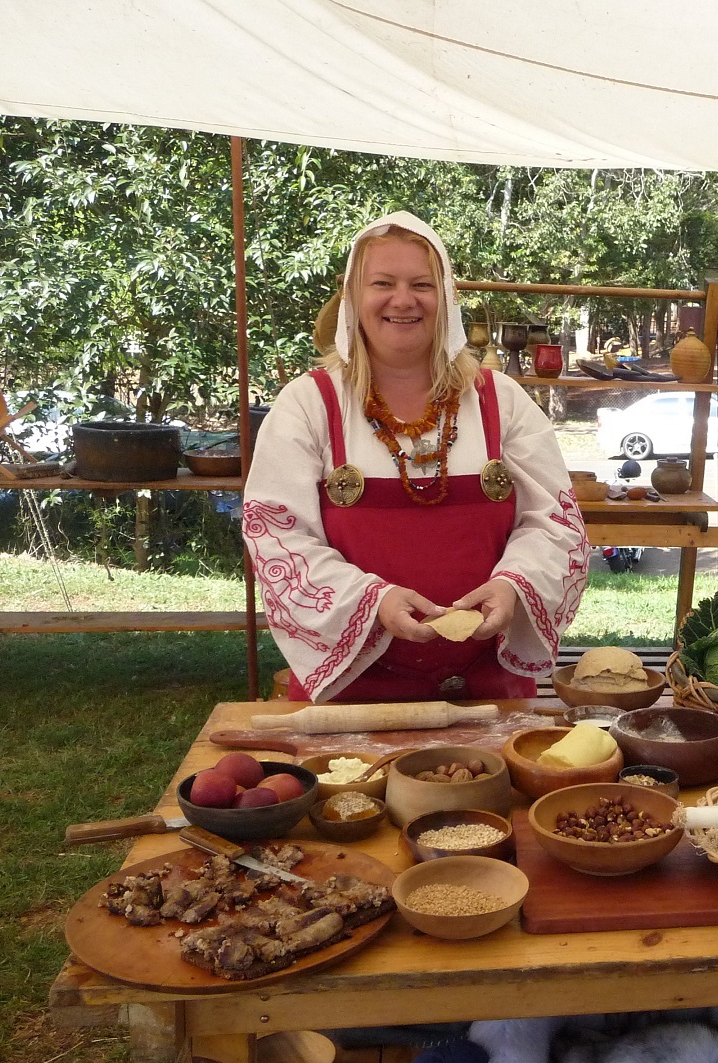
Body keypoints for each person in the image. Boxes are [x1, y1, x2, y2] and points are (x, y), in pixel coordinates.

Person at [243, 211, 589, 703]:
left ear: (445, 299)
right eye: (382, 283)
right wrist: (372, 602)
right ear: (353, 299)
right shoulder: (308, 404)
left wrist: (515, 585)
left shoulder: (500, 400)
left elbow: (555, 522)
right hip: (350, 688)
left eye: (421, 284)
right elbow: (277, 537)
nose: (403, 300)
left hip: (486, 689)